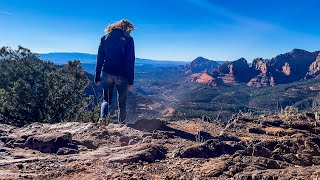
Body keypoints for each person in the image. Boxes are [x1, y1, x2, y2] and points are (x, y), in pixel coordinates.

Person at [94, 19, 135, 126]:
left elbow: (100, 59)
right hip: (122, 75)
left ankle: (103, 119)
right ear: (127, 28)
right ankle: (122, 125)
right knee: (122, 103)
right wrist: (131, 80)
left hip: (107, 73)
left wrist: (97, 76)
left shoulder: (105, 38)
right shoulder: (129, 39)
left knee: (106, 100)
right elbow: (130, 60)